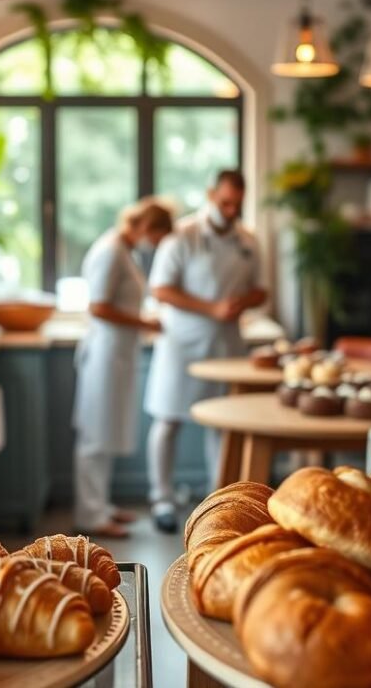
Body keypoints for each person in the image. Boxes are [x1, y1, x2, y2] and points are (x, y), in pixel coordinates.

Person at [144, 170, 268, 533]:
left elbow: (262, 290)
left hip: (227, 343)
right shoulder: (182, 236)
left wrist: (242, 302)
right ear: (211, 194)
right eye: (225, 202)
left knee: (222, 423)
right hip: (181, 343)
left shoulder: (248, 240)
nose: (231, 210)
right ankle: (161, 497)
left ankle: (221, 499)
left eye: (237, 204)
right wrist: (210, 308)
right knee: (168, 420)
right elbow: (161, 290)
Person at [73, 199, 174, 538]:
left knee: (107, 429)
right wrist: (144, 323)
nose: (158, 244)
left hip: (118, 354)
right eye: (158, 236)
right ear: (146, 227)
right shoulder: (110, 251)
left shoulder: (122, 250)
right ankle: (90, 514)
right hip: (104, 354)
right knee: (94, 435)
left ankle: (101, 505)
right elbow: (98, 307)